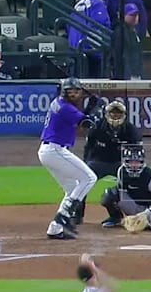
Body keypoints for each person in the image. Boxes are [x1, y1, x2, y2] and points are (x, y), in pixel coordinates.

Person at [39, 77, 103, 240]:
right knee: (89, 178)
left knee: (72, 188)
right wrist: (96, 108)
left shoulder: (59, 103)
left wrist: (90, 107)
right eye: (70, 91)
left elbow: (82, 117)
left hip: (49, 151)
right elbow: (88, 124)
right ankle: (64, 219)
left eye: (76, 91)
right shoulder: (66, 108)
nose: (74, 94)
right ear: (64, 92)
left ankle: (55, 227)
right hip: (55, 150)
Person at [84, 100, 143, 182]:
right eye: (113, 112)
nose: (115, 115)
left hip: (121, 163)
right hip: (98, 162)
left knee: (136, 180)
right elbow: (88, 145)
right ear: (107, 114)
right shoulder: (97, 127)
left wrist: (132, 166)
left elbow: (138, 149)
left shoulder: (130, 129)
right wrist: (86, 162)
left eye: (118, 113)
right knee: (84, 178)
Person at [115, 3, 144, 79]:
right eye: (131, 15)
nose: (134, 17)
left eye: (136, 15)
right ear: (124, 16)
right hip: (128, 75)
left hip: (136, 73)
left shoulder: (134, 31)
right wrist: (127, 74)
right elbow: (123, 54)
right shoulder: (121, 32)